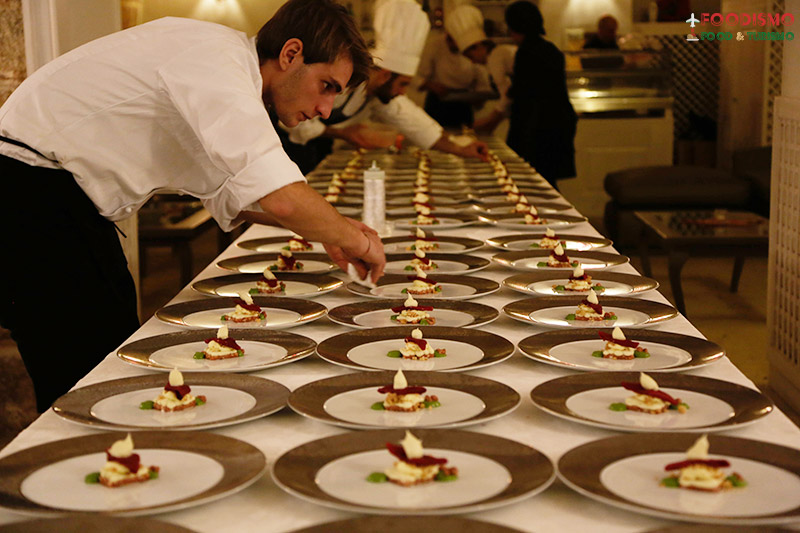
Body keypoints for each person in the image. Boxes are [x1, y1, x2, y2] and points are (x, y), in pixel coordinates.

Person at [0, 0, 383, 411]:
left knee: (108, 367)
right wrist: (355, 240)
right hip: (29, 191)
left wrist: (327, 229)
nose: (325, 110)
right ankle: (80, 464)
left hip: (52, 199)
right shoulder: (217, 60)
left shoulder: (222, 68)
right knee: (91, 384)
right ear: (291, 54)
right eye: (327, 86)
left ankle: (105, 458)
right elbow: (285, 200)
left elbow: (234, 193)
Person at [282, 0, 488, 173]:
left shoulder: (377, 95)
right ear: (385, 75)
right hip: (284, 152)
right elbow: (293, 122)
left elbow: (416, 124)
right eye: (403, 84)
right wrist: (346, 133)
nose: (403, 92)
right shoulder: (337, 80)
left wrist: (460, 148)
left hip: (315, 151)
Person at [504, 1, 577, 188]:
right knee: (547, 184)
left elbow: (526, 95)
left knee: (531, 185)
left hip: (536, 131)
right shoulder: (551, 50)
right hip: (557, 126)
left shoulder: (525, 52)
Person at [443, 4, 517, 134]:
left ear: (478, 46)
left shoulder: (497, 57)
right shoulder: (497, 55)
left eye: (470, 56)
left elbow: (507, 95)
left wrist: (490, 120)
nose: (472, 61)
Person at [417, 22, 492, 128]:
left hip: (464, 104)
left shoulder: (475, 50)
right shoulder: (434, 45)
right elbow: (417, 76)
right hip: (437, 102)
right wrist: (430, 85)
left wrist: (478, 98)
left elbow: (482, 82)